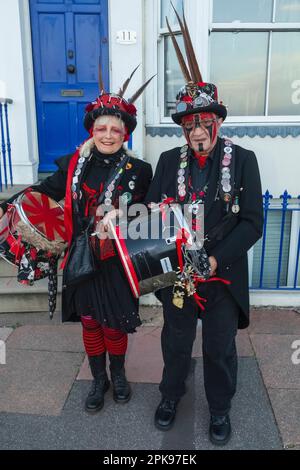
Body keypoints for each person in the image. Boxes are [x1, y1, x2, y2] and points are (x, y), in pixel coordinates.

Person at [0, 70, 153, 413]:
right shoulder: (73, 165)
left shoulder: (140, 171)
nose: (109, 135)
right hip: (80, 257)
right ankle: (99, 380)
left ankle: (119, 373)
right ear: (92, 130)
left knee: (114, 322)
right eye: (102, 128)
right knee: (89, 320)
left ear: (125, 133)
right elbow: (42, 193)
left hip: (116, 259)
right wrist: (7, 207)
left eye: (116, 129)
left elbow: (150, 213)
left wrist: (125, 218)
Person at [145, 9, 263, 445]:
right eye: (189, 123)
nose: (197, 129)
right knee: (174, 343)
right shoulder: (165, 162)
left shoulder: (244, 160)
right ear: (182, 126)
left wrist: (214, 256)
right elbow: (153, 212)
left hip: (223, 273)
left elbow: (252, 223)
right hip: (177, 274)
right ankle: (170, 395)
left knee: (218, 348)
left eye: (204, 122)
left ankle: (220, 409)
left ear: (218, 122)